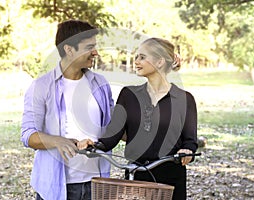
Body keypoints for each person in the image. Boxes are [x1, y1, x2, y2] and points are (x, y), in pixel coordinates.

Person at [78, 37, 197, 200]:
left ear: (160, 61)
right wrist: (94, 146)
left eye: (142, 57)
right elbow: (112, 136)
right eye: (136, 57)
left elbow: (190, 140)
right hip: (136, 176)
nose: (136, 61)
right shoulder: (128, 95)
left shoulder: (184, 99)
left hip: (171, 179)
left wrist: (187, 151)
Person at [21, 20, 114, 200]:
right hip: (56, 188)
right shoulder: (41, 87)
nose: (95, 52)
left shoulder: (100, 84)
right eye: (89, 47)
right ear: (69, 49)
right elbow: (28, 135)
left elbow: (113, 128)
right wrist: (57, 141)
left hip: (97, 184)